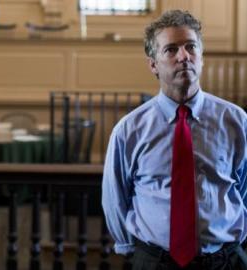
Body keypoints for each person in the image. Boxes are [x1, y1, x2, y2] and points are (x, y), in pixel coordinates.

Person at [102, 9, 247, 270]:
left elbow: (244, 188)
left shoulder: (235, 120)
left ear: (201, 57)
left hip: (225, 261)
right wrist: (132, 251)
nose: (184, 57)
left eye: (191, 47)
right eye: (171, 49)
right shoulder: (129, 130)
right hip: (156, 261)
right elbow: (115, 198)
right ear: (153, 64)